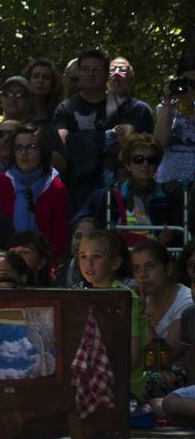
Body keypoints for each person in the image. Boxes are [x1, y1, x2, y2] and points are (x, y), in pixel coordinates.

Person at [55, 48, 145, 211]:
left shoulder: (124, 106)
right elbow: (62, 146)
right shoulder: (65, 108)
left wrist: (79, 141)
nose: (90, 74)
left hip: (112, 187)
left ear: (106, 74)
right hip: (74, 187)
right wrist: (106, 138)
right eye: (85, 69)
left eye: (96, 69)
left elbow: (124, 144)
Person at [73, 133, 186, 249]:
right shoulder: (109, 197)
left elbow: (181, 236)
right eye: (138, 159)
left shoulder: (169, 197)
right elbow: (90, 230)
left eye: (151, 160)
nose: (145, 164)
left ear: (157, 166)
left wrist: (170, 237)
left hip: (156, 261)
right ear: (127, 165)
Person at [77, 230, 148, 400]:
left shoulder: (125, 298)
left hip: (125, 386)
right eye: (82, 256)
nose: (88, 263)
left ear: (115, 263)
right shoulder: (82, 296)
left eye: (97, 256)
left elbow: (133, 357)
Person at [0, 125, 71, 264]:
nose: (24, 153)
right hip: (6, 261)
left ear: (43, 151)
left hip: (44, 264)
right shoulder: (0, 183)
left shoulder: (56, 187)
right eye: (18, 147)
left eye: (31, 147)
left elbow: (60, 237)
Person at [130, 240, 191, 396]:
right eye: (137, 269)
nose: (143, 275)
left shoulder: (186, 301)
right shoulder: (139, 299)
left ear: (168, 268)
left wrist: (142, 316)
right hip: (147, 370)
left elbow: (162, 361)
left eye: (150, 266)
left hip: (179, 378)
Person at [0, 74, 68, 172]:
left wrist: (36, 145)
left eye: (20, 95)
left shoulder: (43, 127)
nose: (13, 99)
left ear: (30, 100)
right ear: (1, 99)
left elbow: (61, 164)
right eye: (8, 94)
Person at [154, 52, 195, 184]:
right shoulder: (167, 107)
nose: (189, 88)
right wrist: (167, 103)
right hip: (169, 181)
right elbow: (160, 143)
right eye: (185, 82)